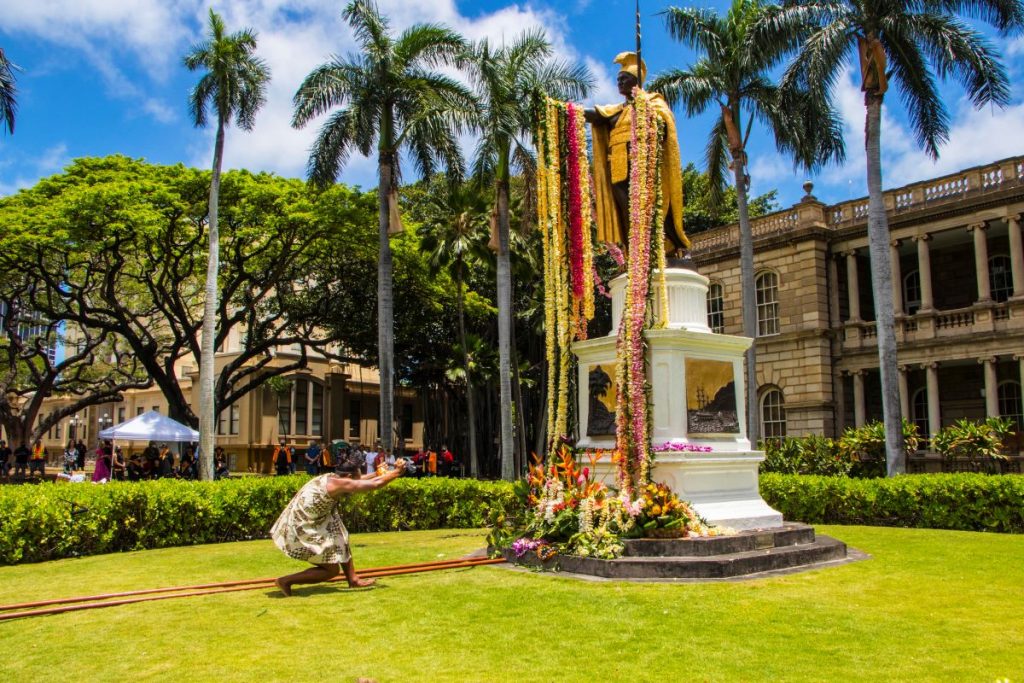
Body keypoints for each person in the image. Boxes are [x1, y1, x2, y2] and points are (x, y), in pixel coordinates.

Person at [585, 51, 690, 257]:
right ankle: (635, 251)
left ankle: (665, 247)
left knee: (649, 208)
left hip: (642, 166)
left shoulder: (652, 101)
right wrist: (565, 110)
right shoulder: (616, 110)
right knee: (627, 214)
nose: (619, 82)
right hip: (618, 169)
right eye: (618, 79)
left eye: (624, 78)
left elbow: (664, 123)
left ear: (636, 80)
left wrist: (646, 115)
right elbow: (595, 115)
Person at [272, 458, 407, 597]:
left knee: (340, 537)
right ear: (348, 477)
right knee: (331, 570)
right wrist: (397, 472)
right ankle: (285, 581)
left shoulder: (333, 478)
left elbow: (359, 481)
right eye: (356, 477)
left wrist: (377, 473)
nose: (358, 479)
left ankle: (353, 580)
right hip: (303, 525)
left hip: (314, 519)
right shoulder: (339, 483)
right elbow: (374, 485)